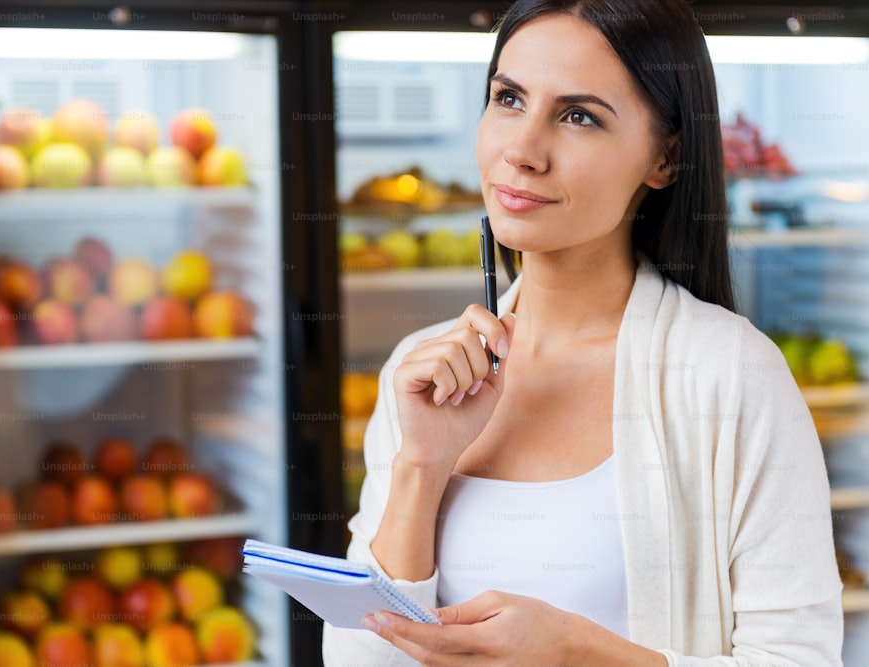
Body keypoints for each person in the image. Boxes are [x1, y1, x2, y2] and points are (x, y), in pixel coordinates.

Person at [322, 0, 844, 665]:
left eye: (578, 117)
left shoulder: (732, 374)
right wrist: (421, 467)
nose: (521, 150)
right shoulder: (423, 372)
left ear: (665, 158)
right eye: (508, 98)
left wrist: (577, 652)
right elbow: (356, 657)